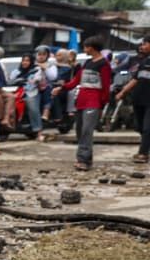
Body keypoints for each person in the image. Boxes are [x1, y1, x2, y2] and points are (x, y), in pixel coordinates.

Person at [55, 36, 112, 171]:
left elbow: (105, 86)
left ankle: (83, 160)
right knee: (80, 131)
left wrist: (102, 104)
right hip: (81, 101)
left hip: (93, 102)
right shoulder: (87, 63)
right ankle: (86, 158)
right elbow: (76, 80)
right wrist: (61, 88)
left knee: (87, 131)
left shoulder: (104, 65)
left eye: (86, 47)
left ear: (91, 48)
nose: (84, 49)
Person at [114, 34, 150, 163]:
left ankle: (143, 154)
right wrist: (122, 92)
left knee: (147, 128)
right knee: (139, 127)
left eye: (145, 44)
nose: (142, 46)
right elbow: (135, 79)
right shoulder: (144, 61)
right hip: (139, 98)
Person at [13, 52, 46, 139]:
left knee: (32, 106)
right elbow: (11, 79)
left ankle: (39, 131)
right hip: (17, 92)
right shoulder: (17, 71)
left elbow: (38, 78)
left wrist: (33, 80)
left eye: (27, 61)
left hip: (31, 92)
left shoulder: (36, 69)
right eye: (23, 60)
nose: (25, 62)